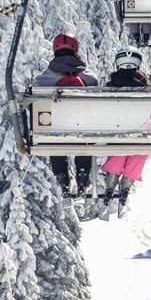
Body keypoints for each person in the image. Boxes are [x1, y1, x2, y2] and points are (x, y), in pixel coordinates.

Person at [34, 33, 97, 197]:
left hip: (56, 132)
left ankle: (63, 180)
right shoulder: (90, 78)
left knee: (53, 134)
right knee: (85, 133)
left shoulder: (42, 80)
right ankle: (83, 177)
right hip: (83, 131)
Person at [97, 49, 150, 220]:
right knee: (139, 148)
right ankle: (125, 188)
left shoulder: (110, 87)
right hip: (140, 136)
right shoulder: (146, 89)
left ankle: (110, 187)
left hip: (117, 135)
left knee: (119, 148)